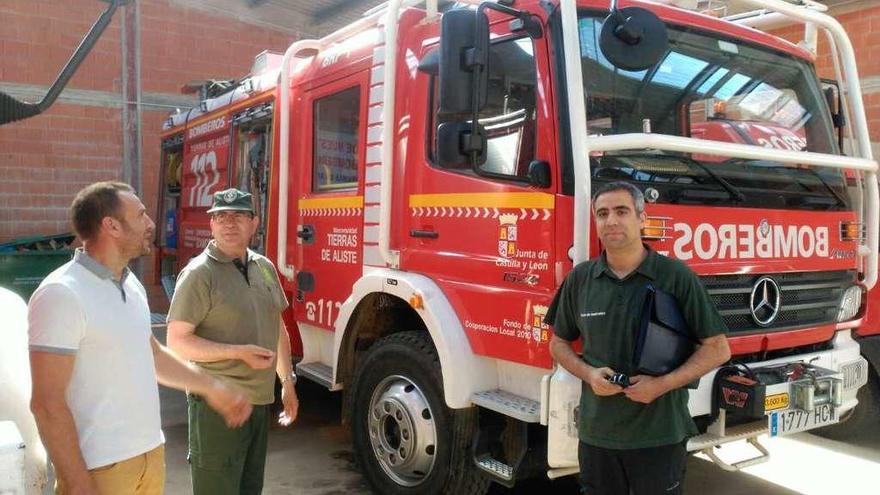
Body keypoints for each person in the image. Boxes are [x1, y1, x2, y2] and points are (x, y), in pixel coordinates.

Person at [28, 181, 252, 495]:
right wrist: (79, 485)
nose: (150, 224)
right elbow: (46, 404)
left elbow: (153, 355)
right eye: (141, 215)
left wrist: (210, 387)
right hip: (99, 470)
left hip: (150, 457)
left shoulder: (131, 284)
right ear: (111, 226)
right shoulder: (61, 294)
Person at [546, 181, 731, 495]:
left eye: (622, 211)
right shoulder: (581, 279)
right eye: (602, 214)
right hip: (598, 436)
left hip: (660, 435)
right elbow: (558, 343)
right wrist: (589, 374)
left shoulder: (675, 276)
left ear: (642, 219)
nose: (612, 221)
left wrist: (661, 385)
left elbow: (718, 349)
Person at [166, 188, 298, 495]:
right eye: (221, 217)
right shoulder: (199, 274)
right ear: (211, 225)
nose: (229, 223)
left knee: (250, 488)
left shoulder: (263, 267)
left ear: (254, 223)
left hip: (259, 404)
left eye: (238, 216)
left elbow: (276, 326)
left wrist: (287, 381)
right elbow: (177, 341)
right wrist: (237, 353)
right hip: (217, 406)